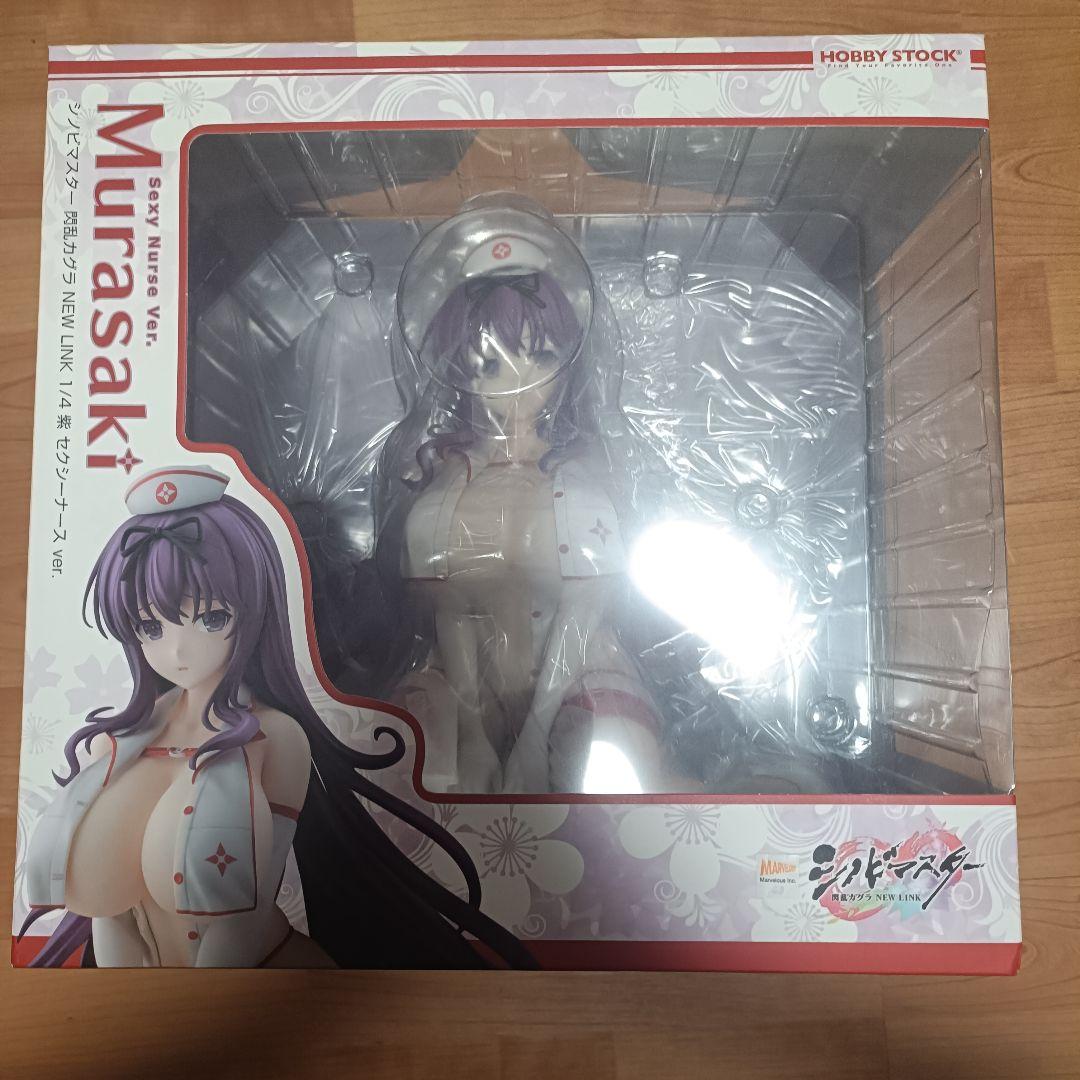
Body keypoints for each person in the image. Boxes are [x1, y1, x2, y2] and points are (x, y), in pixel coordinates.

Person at [19, 464, 534, 969]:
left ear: (254, 609)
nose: (178, 650)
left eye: (212, 617)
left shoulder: (274, 738)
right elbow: (112, 913)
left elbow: (242, 921)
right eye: (150, 626)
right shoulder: (115, 745)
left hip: (256, 984)